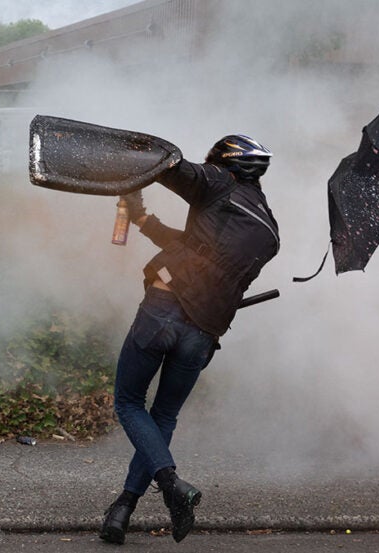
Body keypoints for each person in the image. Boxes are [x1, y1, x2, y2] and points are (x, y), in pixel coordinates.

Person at [99, 135, 280, 545]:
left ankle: (171, 485)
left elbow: (166, 165)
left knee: (128, 402)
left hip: (164, 310)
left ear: (226, 163)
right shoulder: (268, 230)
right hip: (203, 332)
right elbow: (196, 249)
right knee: (163, 416)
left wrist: (128, 162)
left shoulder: (217, 183)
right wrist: (141, 217)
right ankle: (122, 509)